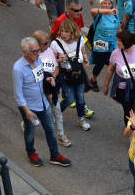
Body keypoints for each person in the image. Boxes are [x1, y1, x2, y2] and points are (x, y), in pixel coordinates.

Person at [12, 37, 71, 167]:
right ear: (25, 52)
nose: (38, 53)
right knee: (30, 131)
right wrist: (27, 112)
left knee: (50, 129)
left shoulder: (37, 60)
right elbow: (18, 94)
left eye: (38, 50)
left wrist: (48, 78)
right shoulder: (18, 69)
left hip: (43, 102)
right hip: (30, 107)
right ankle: (31, 153)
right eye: (34, 51)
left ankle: (55, 155)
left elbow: (40, 74)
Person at [32, 30, 71, 148]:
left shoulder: (49, 51)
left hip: (52, 87)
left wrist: (52, 78)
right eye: (45, 43)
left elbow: (56, 67)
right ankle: (27, 123)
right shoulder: (34, 55)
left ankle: (61, 135)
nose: (47, 45)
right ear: (37, 44)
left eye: (48, 42)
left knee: (57, 111)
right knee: (37, 111)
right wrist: (45, 79)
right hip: (39, 89)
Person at [50, 20, 91, 131]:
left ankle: (81, 119)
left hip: (78, 73)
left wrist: (86, 59)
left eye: (66, 31)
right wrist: (60, 59)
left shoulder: (80, 40)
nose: (63, 34)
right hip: (64, 75)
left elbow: (84, 53)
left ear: (73, 32)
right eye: (62, 31)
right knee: (69, 99)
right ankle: (57, 114)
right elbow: (52, 61)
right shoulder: (55, 44)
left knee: (81, 99)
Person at [103, 30, 135, 122]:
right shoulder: (115, 53)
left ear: (126, 42)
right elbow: (110, 69)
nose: (116, 42)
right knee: (129, 111)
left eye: (119, 40)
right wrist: (106, 85)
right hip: (122, 90)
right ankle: (131, 131)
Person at [89, 0, 121, 91]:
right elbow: (92, 11)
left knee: (117, 63)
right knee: (100, 63)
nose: (107, 5)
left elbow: (119, 28)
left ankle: (118, 83)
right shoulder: (98, 15)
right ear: (101, 5)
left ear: (112, 4)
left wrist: (122, 40)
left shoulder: (115, 15)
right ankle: (93, 80)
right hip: (101, 44)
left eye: (109, 3)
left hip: (114, 43)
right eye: (104, 3)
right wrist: (108, 11)